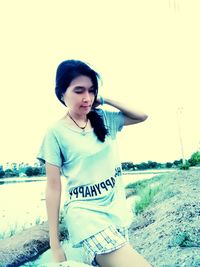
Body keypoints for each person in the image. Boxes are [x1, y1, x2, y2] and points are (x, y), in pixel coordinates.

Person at [37, 59, 151, 267]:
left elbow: (141, 115)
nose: (87, 98)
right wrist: (55, 246)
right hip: (87, 218)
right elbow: (53, 188)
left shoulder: (104, 119)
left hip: (116, 213)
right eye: (79, 91)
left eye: (91, 90)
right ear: (62, 93)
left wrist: (104, 99)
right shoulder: (55, 133)